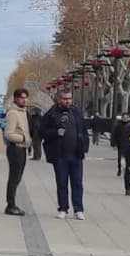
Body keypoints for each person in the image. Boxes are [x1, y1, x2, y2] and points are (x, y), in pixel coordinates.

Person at [36, 86, 90, 218]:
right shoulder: (51, 113)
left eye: (69, 98)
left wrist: (85, 147)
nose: (68, 101)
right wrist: (55, 133)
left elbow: (83, 130)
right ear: (59, 99)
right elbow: (41, 132)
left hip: (76, 155)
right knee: (62, 183)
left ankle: (78, 209)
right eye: (65, 99)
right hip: (60, 155)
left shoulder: (76, 112)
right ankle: (63, 208)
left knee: (77, 183)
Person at [0, 87, 32, 215]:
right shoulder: (13, 113)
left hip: (23, 148)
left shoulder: (24, 112)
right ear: (16, 99)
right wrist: (23, 138)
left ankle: (12, 203)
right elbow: (8, 134)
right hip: (16, 149)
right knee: (14, 178)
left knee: (18, 178)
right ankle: (10, 205)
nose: (24, 100)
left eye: (25, 98)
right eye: (21, 98)